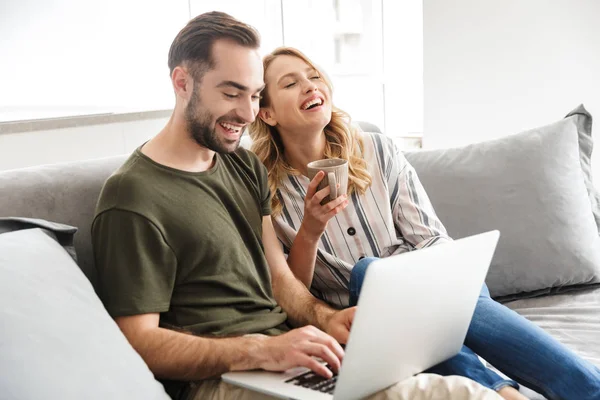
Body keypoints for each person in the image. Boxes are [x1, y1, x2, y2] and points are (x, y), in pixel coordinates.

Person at [91, 11, 501, 400]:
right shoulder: (132, 196)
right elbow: (136, 341)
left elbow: (279, 279)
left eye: (253, 95)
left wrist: (326, 319)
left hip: (292, 364)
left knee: (462, 391)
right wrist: (259, 351)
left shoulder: (242, 163)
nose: (247, 112)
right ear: (183, 83)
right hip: (223, 382)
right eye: (231, 93)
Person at [249, 46, 600, 400]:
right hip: (361, 318)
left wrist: (437, 284)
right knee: (367, 271)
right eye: (290, 84)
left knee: (445, 293)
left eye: (313, 76)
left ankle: (526, 394)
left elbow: (431, 238)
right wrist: (310, 231)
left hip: (423, 288)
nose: (310, 86)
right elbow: (292, 294)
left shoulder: (377, 150)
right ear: (267, 113)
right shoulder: (264, 189)